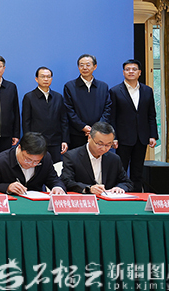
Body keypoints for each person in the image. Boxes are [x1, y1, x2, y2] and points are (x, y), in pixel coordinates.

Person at [109, 59, 158, 191]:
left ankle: (137, 195)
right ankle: (120, 194)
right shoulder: (115, 91)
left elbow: (151, 115)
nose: (131, 72)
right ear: (123, 72)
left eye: (134, 69)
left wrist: (152, 135)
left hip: (142, 137)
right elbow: (112, 117)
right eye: (128, 69)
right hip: (123, 138)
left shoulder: (147, 90)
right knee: (121, 170)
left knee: (138, 171)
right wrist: (114, 137)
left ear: (139, 72)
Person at [61, 122, 132, 194]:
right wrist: (88, 189)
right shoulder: (72, 156)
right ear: (89, 138)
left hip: (108, 198)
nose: (104, 149)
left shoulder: (114, 159)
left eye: (108, 145)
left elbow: (126, 182)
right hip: (84, 198)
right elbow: (67, 181)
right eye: (100, 144)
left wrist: (120, 187)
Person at [0, 132, 66, 195]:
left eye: (36, 162)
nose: (31, 164)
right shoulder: (1, 161)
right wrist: (7, 187)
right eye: (28, 160)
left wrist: (58, 187)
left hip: (36, 203)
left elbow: (54, 179)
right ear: (19, 147)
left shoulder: (46, 158)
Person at [63, 54, 112, 150]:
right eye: (81, 65)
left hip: (100, 135)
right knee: (77, 158)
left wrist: (97, 128)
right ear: (78, 67)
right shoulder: (70, 86)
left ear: (95, 66)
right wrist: (83, 127)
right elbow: (69, 110)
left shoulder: (103, 86)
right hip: (77, 134)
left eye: (88, 65)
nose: (84, 68)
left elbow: (108, 108)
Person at [22, 66, 69, 162]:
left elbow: (63, 120)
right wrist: (28, 141)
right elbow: (26, 122)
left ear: (51, 79)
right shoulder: (29, 97)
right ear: (36, 79)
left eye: (48, 77)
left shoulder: (58, 97)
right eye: (42, 76)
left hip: (55, 141)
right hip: (36, 142)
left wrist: (65, 140)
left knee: (55, 166)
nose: (46, 79)